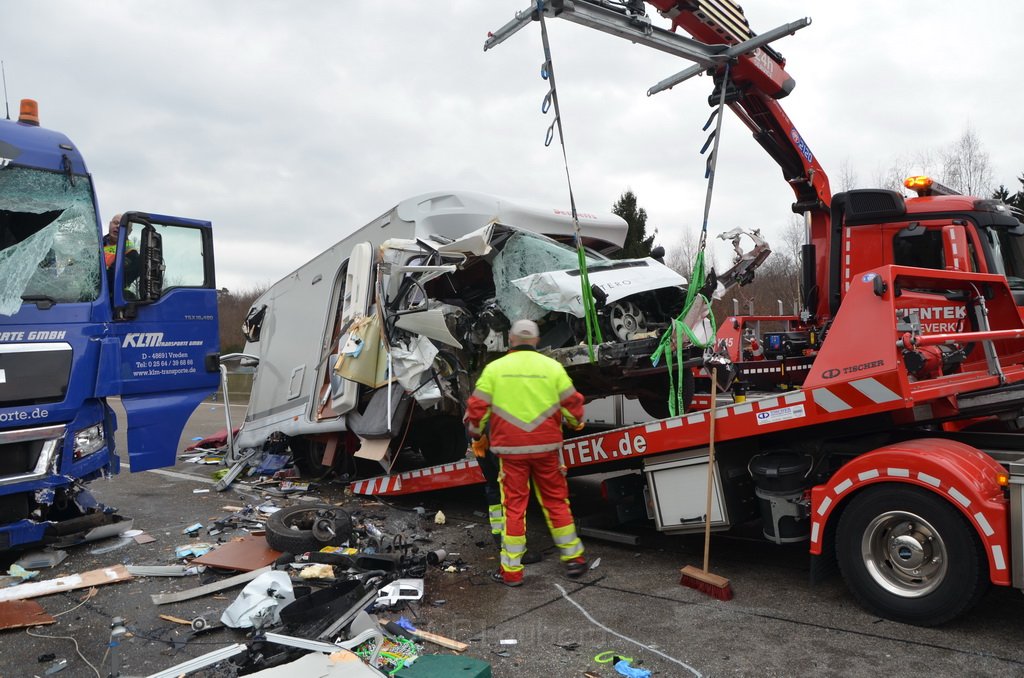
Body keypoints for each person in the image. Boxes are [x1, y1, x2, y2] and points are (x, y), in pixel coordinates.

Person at [465, 319, 587, 587]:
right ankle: (574, 559)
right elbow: (574, 405)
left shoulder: (494, 370)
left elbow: (477, 410)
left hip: (511, 452)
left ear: (510, 340)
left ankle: (512, 572)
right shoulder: (552, 368)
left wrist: (476, 433)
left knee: (514, 509)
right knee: (556, 502)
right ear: (536, 340)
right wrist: (575, 422)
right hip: (547, 449)